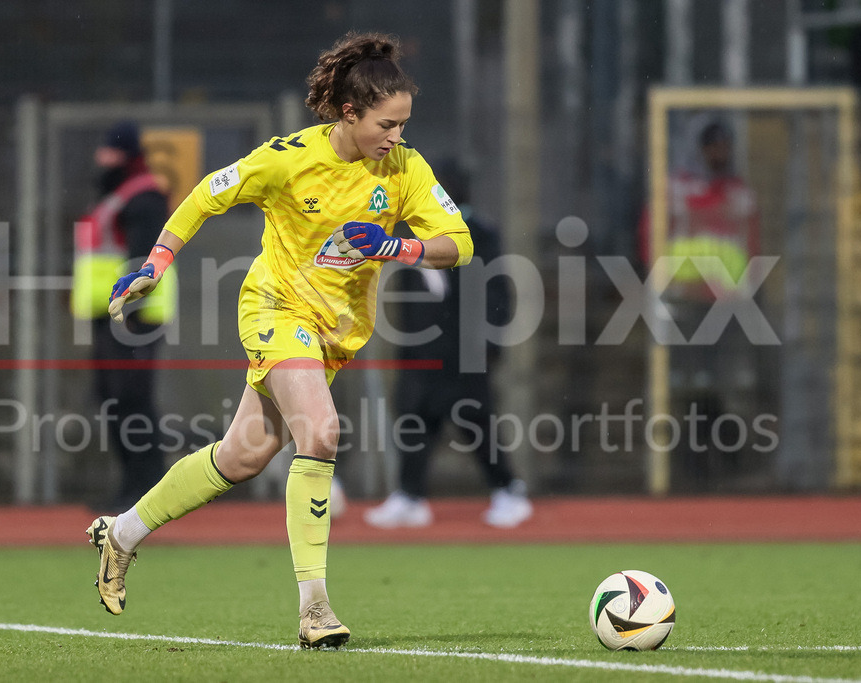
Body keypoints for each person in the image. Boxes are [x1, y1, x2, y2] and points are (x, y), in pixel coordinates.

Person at [84, 32, 473, 650]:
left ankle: (121, 534)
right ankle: (314, 609)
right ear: (350, 113)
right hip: (274, 307)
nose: (398, 135)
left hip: (336, 332)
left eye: (404, 123)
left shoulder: (405, 167)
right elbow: (204, 196)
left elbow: (460, 243)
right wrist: (155, 264)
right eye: (387, 123)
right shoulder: (287, 158)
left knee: (242, 455)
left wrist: (398, 246)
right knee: (320, 431)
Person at [364, 159, 533, 529]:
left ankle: (507, 489)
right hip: (421, 352)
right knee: (413, 421)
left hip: (465, 349)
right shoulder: (410, 234)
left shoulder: (479, 233)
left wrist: (489, 343)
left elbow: (497, 293)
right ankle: (410, 495)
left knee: (475, 419)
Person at [638, 118, 760, 490]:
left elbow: (751, 243)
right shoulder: (675, 190)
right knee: (688, 386)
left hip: (727, 305)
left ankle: (721, 461)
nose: (720, 153)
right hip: (684, 303)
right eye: (714, 145)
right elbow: (650, 234)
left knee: (722, 384)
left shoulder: (739, 192)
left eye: (725, 145)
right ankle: (692, 461)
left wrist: (747, 286)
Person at [71, 121, 175, 509]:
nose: (101, 158)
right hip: (110, 315)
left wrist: (134, 312)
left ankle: (148, 488)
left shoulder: (142, 195)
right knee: (113, 400)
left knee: (132, 401)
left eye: (108, 150)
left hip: (134, 317)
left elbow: (143, 260)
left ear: (125, 155)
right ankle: (134, 487)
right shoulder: (116, 194)